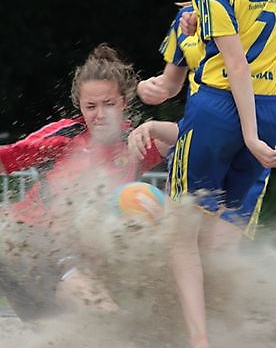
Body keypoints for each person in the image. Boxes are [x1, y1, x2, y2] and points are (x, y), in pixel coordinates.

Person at [154, 0, 276, 348]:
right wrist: (260, 128)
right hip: (272, 107)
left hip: (221, 108)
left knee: (180, 233)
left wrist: (247, 133)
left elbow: (232, 65)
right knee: (223, 239)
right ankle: (233, 329)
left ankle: (199, 340)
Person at [0, 43, 169, 320]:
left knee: (66, 333)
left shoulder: (135, 142)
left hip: (69, 277)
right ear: (80, 106)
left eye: (108, 104)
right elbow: (7, 158)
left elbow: (192, 138)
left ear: (124, 103)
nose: (99, 114)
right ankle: (121, 321)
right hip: (26, 244)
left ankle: (123, 320)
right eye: (91, 106)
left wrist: (173, 83)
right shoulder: (65, 135)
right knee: (67, 261)